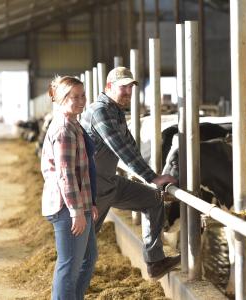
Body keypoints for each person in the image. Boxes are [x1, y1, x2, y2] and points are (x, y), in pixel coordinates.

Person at [81, 66, 180, 280]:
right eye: (123, 87)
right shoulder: (100, 111)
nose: (128, 92)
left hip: (109, 182)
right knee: (84, 249)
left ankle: (155, 262)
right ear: (108, 87)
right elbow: (122, 149)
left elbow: (131, 146)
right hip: (93, 189)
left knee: (153, 199)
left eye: (130, 87)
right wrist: (153, 177)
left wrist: (154, 179)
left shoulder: (115, 110)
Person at [41, 76, 98, 300]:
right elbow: (66, 174)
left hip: (79, 202)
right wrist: (76, 211)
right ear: (62, 99)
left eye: (83, 95)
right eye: (75, 96)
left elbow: (81, 171)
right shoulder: (64, 129)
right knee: (69, 266)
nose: (81, 100)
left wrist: (89, 203)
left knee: (88, 258)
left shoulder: (74, 124)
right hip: (67, 207)